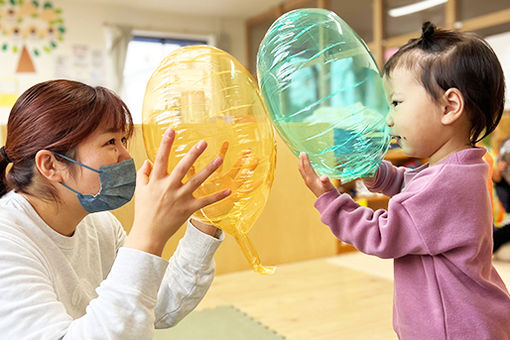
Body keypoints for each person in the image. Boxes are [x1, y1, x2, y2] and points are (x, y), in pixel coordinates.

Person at [298, 22, 510, 339]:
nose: (388, 118)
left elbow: (383, 234)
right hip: (462, 321)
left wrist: (332, 203)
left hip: (453, 330)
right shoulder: (458, 169)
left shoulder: (447, 182)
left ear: (450, 106)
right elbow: (414, 190)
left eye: (396, 103)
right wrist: (377, 173)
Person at [0, 79, 233, 339]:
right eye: (111, 142)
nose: (126, 156)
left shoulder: (100, 225)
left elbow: (159, 306)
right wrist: (148, 235)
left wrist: (208, 216)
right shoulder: (7, 242)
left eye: (124, 140)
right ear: (51, 165)